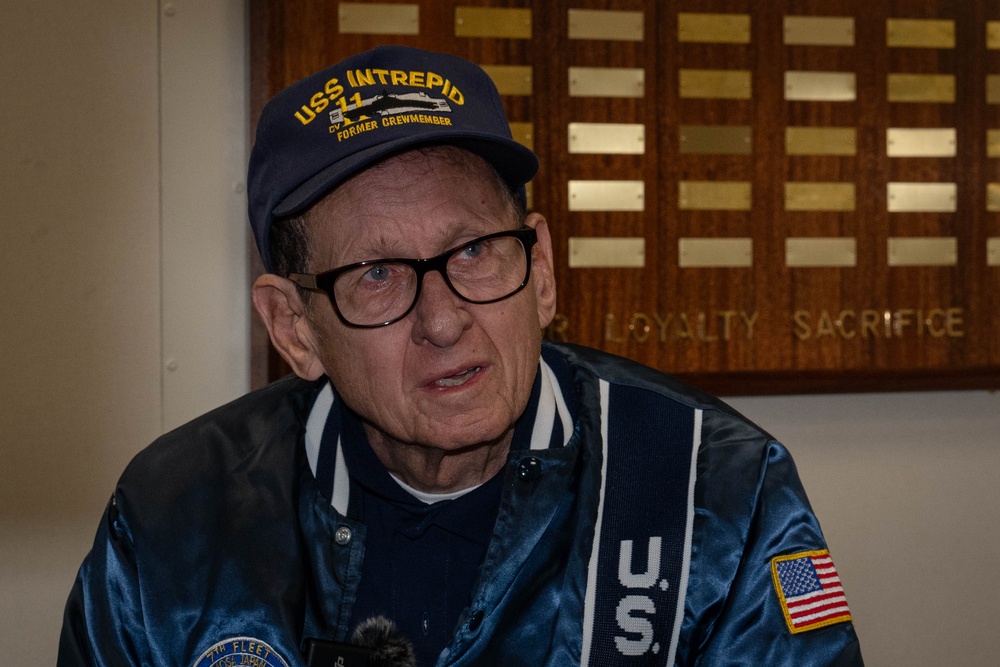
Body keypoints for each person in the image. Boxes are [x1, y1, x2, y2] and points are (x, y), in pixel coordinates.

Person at [58, 46, 863, 666]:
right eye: (376, 275)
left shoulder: (718, 492)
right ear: (295, 328)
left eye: (476, 250)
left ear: (541, 268)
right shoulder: (174, 521)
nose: (444, 321)